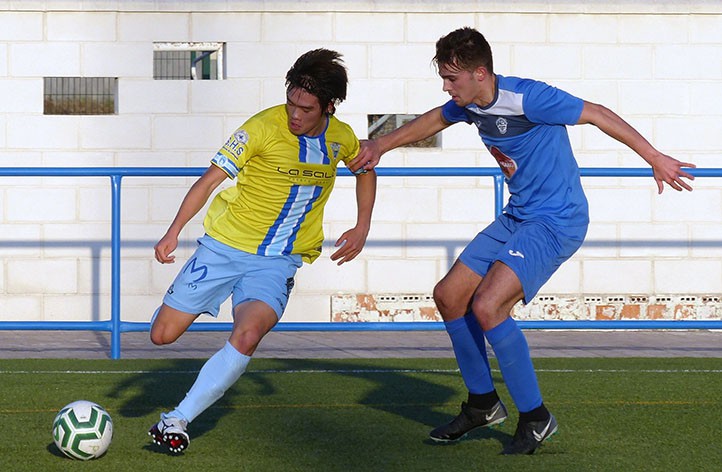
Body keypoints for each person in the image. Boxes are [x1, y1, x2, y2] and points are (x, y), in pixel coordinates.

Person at [350, 27, 694, 455]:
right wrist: (381, 144)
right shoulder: (468, 104)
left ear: (480, 73)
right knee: (449, 295)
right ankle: (482, 403)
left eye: (451, 78)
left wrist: (655, 158)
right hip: (518, 216)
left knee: (488, 305)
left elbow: (598, 113)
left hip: (556, 220)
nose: (445, 86)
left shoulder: (528, 97)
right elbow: (436, 118)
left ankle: (535, 417)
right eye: (443, 77)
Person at [147, 48, 376, 454]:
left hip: (277, 262)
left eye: (305, 108)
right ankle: (188, 302)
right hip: (223, 248)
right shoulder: (259, 128)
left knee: (249, 333)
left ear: (330, 106)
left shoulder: (339, 138)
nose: (294, 114)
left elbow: (366, 170)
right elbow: (208, 180)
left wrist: (362, 226)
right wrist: (173, 231)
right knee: (162, 336)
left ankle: (177, 420)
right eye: (291, 102)